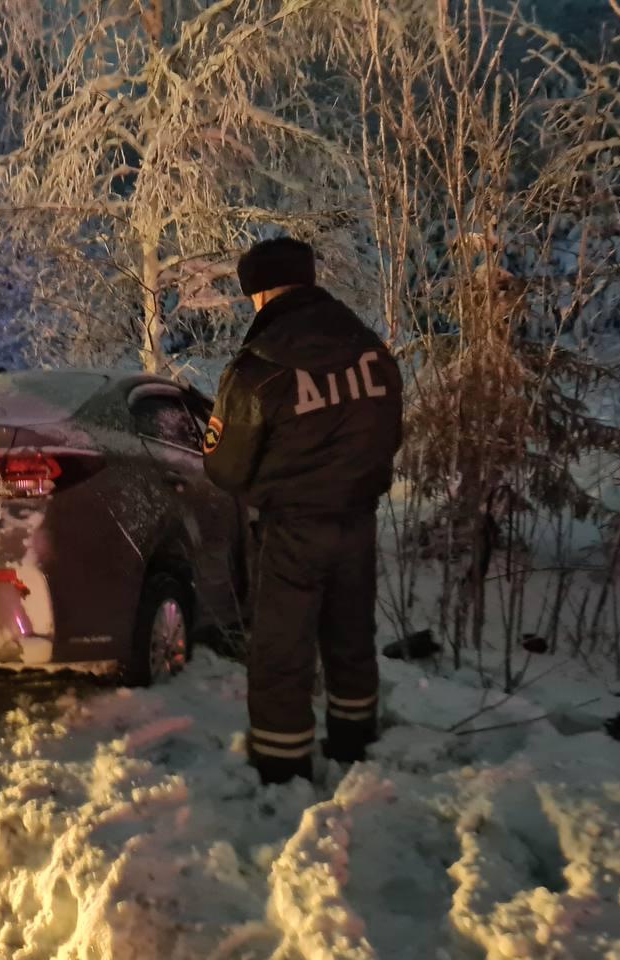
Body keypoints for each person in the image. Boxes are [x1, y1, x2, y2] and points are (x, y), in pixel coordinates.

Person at [203, 237, 403, 785]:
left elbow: (225, 469)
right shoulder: (371, 350)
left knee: (282, 651)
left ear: (259, 293)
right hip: (358, 520)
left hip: (293, 531)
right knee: (350, 637)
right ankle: (355, 744)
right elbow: (391, 433)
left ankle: (281, 767)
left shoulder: (257, 367)